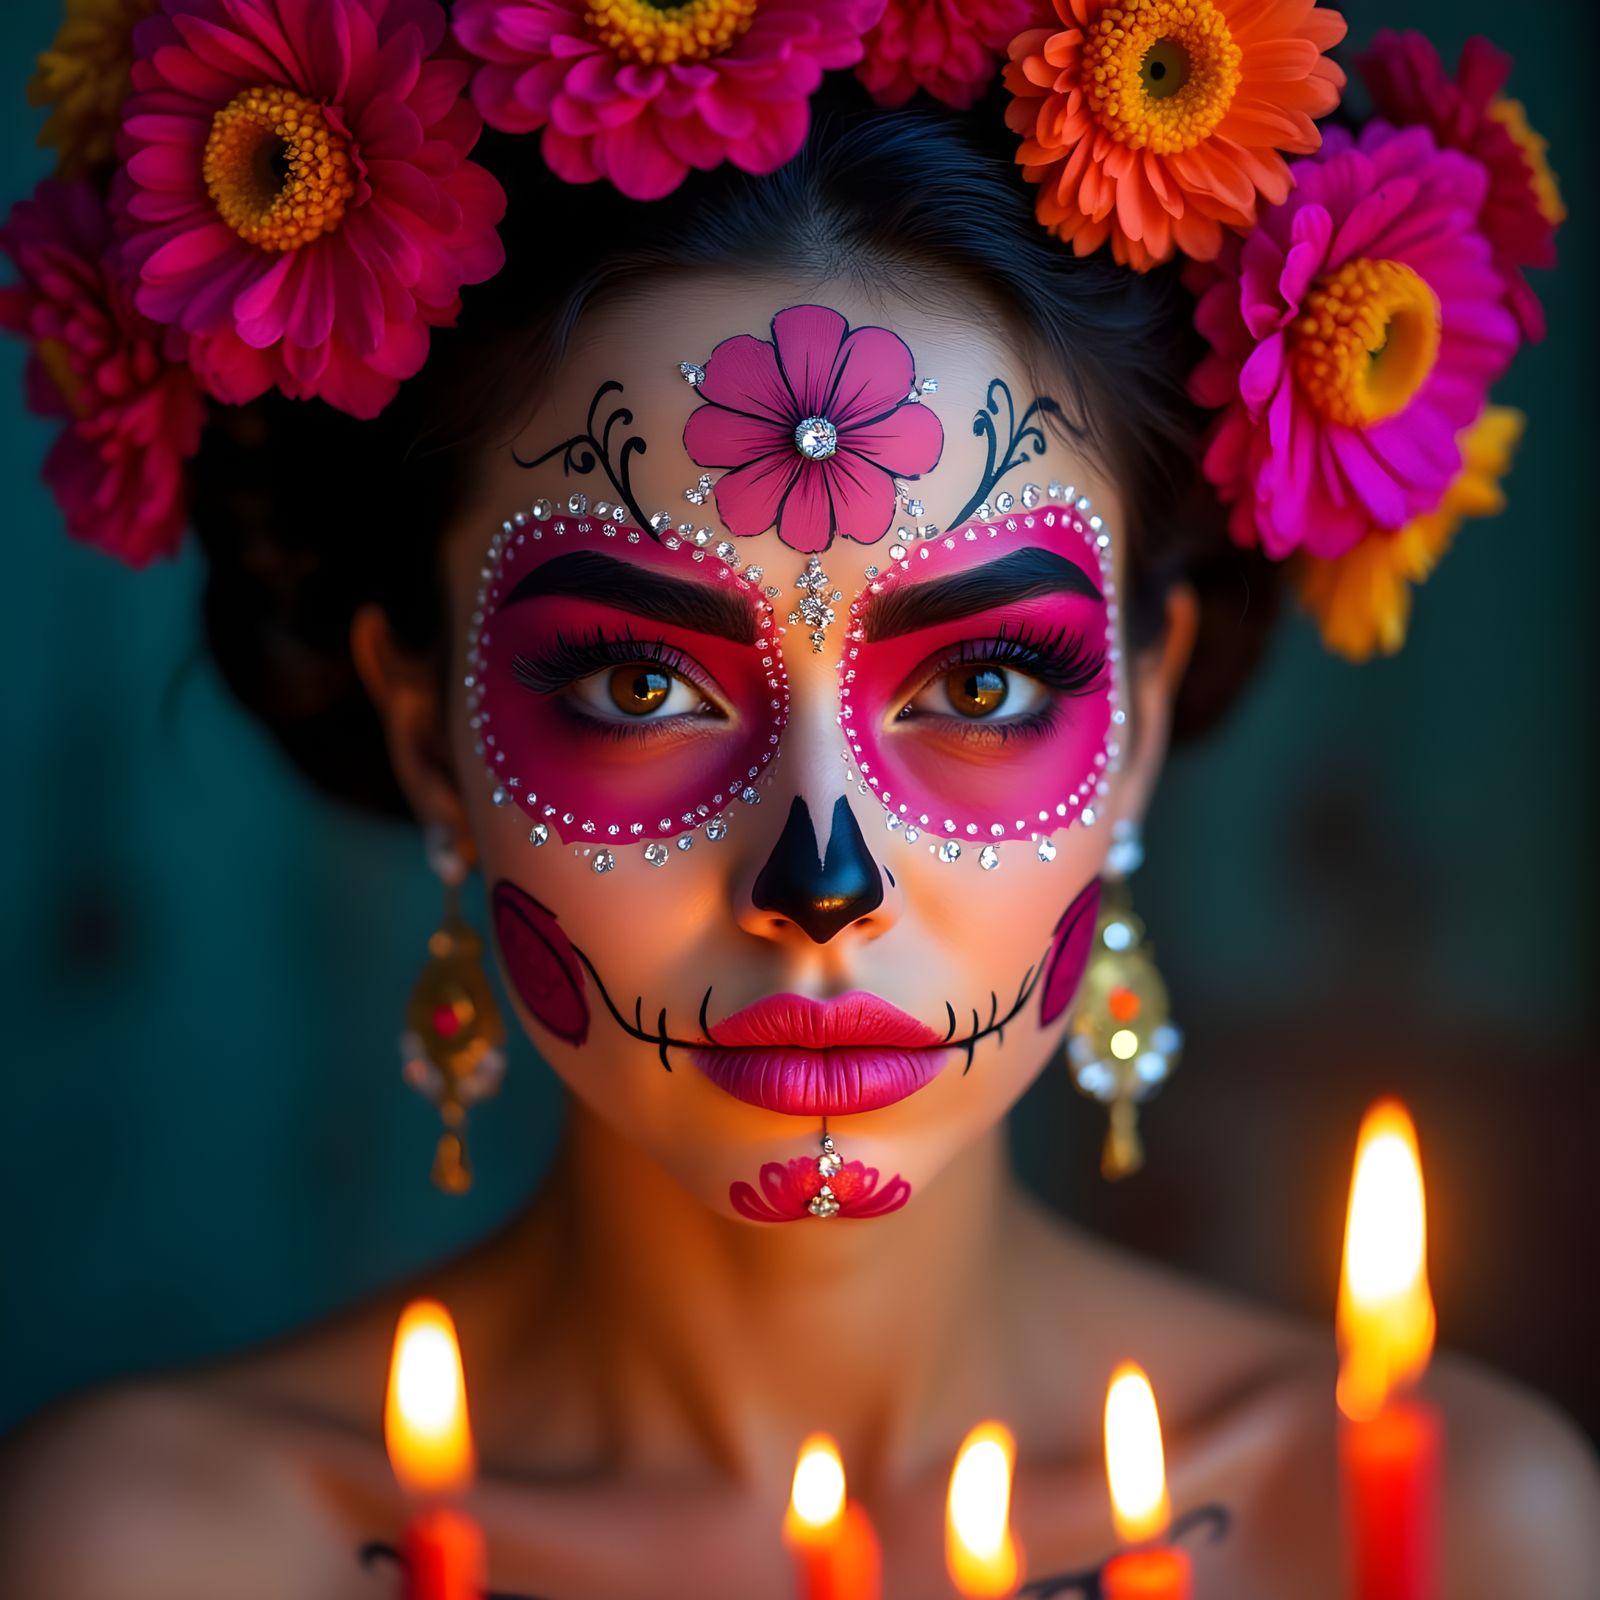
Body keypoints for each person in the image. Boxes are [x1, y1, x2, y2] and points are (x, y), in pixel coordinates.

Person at [1, 1, 1594, 1594]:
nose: (818, 873)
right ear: (429, 733)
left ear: (1144, 714)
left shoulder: (1442, 1534)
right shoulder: (159, 1554)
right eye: (641, 686)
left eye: (981, 686)